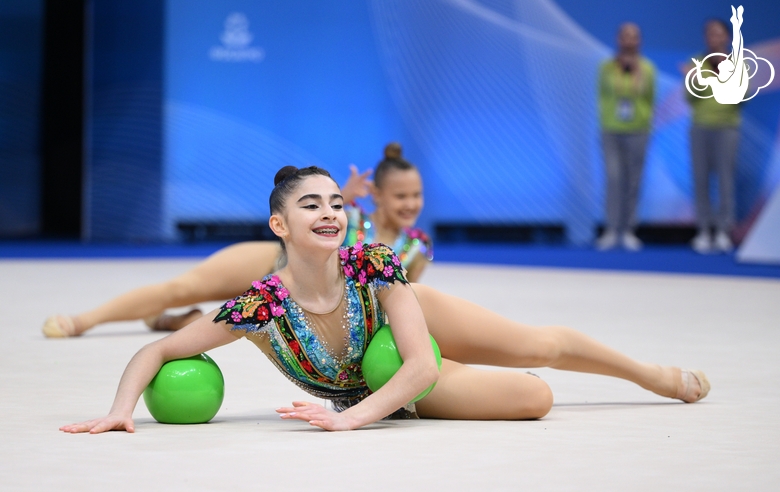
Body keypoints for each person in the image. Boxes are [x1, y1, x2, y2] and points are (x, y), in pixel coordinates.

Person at [60, 166, 709, 434]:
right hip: (391, 380)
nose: (330, 212)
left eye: (336, 203)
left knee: (537, 345)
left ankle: (650, 374)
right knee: (534, 399)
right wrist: (121, 411)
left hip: (412, 343)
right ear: (280, 227)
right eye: (310, 204)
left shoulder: (373, 262)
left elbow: (420, 361)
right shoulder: (259, 305)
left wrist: (350, 419)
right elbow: (161, 349)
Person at [42, 144, 432, 338]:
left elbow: (403, 298)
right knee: (182, 287)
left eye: (416, 196)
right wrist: (342, 195)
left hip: (316, 305)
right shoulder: (349, 214)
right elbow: (314, 211)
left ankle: (169, 319)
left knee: (217, 316)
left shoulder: (418, 246)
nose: (410, 204)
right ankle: (83, 321)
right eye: (401, 196)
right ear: (377, 195)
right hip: (274, 264)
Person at [684, 10, 744, 254]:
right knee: (701, 180)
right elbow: (689, 97)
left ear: (727, 37)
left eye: (718, 33)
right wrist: (695, 79)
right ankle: (703, 231)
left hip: (727, 127)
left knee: (725, 181)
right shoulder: (695, 63)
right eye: (709, 33)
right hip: (700, 126)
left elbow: (741, 95)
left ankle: (723, 231)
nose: (713, 37)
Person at [596, 23, 656, 252]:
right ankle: (611, 229)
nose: (629, 41)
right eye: (625, 37)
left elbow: (650, 99)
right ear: (618, 39)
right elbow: (602, 96)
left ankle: (629, 230)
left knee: (633, 181)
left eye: (634, 37)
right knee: (613, 179)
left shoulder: (648, 68)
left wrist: (644, 123)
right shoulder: (606, 68)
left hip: (638, 130)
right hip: (611, 130)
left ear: (639, 41)